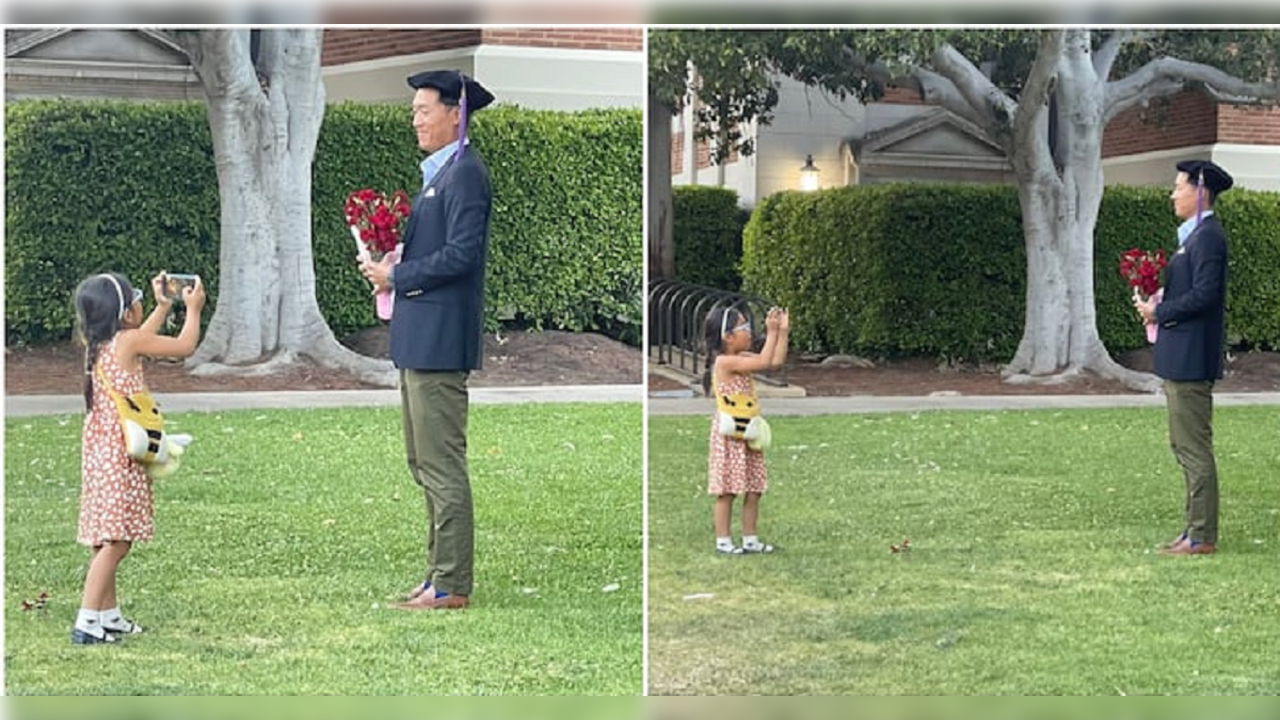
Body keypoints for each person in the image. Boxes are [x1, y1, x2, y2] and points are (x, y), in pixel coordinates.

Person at [360, 69, 495, 610]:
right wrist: (389, 263)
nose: (415, 119)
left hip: (440, 341)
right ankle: (436, 575)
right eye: (413, 110)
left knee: (441, 464)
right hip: (419, 338)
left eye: (424, 110)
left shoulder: (465, 175)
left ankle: (451, 584)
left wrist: (399, 277)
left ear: (455, 115)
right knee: (423, 462)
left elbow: (464, 255)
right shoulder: (436, 176)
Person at [71, 271, 205, 643]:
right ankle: (86, 621)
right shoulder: (127, 341)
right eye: (136, 299)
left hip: (102, 453)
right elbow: (184, 346)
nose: (140, 303)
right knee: (117, 540)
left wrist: (162, 306)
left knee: (107, 538)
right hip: (121, 456)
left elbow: (139, 339)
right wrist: (192, 309)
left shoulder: (100, 342)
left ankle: (107, 614)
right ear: (125, 312)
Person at [1135, 159, 1233, 557]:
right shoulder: (1192, 238)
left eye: (1179, 187)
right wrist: (1156, 300)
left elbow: (1207, 294)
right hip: (1181, 355)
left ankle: (1201, 535)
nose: (1173, 193)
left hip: (1192, 358)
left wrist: (1159, 311)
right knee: (1183, 445)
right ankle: (1192, 530)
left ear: (1200, 190)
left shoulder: (1208, 237)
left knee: (1193, 447)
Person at [702, 305, 789, 555]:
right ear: (727, 336)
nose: (750, 332)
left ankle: (751, 539)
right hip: (730, 435)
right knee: (727, 490)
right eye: (744, 327)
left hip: (748, 431)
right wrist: (771, 331)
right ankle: (724, 541)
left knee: (754, 487)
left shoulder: (741, 358)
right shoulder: (725, 362)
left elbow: (773, 362)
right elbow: (764, 360)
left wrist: (782, 332)